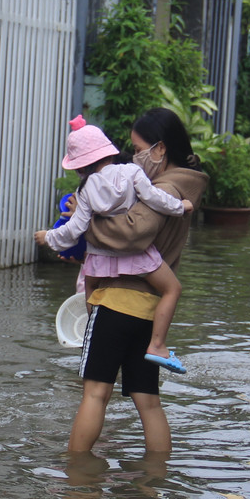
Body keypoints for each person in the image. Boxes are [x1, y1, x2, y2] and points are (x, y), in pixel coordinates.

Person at [67, 107, 208, 454]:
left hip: (117, 300)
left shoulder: (163, 188)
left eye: (138, 148)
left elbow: (135, 232)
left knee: (95, 394)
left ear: (160, 149)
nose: (133, 157)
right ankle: (154, 483)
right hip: (149, 308)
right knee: (148, 401)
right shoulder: (182, 186)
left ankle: (75, 478)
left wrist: (81, 220)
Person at [35, 115, 192, 372]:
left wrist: (48, 238)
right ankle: (157, 345)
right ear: (109, 152)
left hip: (97, 261)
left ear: (79, 167)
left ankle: (92, 342)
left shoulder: (84, 190)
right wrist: (181, 207)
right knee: (172, 289)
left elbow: (75, 229)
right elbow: (155, 199)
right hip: (137, 256)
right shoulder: (132, 172)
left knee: (89, 295)